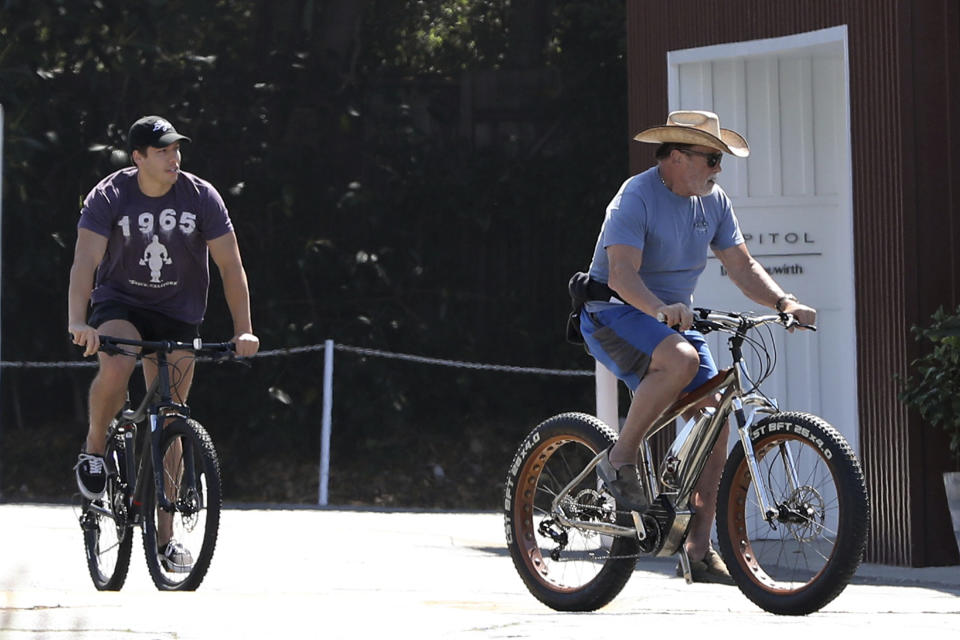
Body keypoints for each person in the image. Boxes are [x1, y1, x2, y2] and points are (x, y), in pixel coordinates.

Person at [578, 110, 816, 584]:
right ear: (676, 157)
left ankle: (698, 549)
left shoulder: (714, 201)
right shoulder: (635, 196)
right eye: (711, 158)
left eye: (720, 159)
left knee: (714, 419)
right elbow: (622, 275)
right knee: (682, 358)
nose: (718, 168)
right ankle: (620, 458)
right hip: (613, 313)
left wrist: (784, 301)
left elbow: (742, 266)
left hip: (668, 320)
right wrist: (661, 308)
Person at [68, 115, 260, 572]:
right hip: (121, 304)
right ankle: (95, 449)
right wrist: (80, 322)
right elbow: (84, 262)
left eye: (177, 149)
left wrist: (244, 329)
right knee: (118, 364)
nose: (174, 158)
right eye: (162, 151)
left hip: (178, 310)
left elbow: (231, 267)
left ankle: (166, 537)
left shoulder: (201, 196)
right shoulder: (111, 195)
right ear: (138, 158)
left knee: (172, 414)